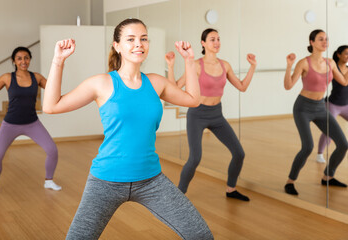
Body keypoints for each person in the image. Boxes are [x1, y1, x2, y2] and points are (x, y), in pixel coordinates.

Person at [43, 18, 214, 239]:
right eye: (130, 39)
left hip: (151, 180)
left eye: (143, 39)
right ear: (117, 46)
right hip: (106, 180)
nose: (138, 44)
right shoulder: (102, 83)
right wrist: (58, 61)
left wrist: (190, 61)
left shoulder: (155, 82)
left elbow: (193, 100)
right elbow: (51, 106)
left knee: (201, 235)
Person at [166, 28, 256, 201]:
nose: (216, 43)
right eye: (212, 39)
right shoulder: (197, 65)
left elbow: (242, 87)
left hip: (217, 115)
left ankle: (231, 189)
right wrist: (170, 67)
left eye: (218, 39)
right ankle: (179, 195)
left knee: (239, 153)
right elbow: (175, 87)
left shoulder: (225, 65)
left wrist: (252, 66)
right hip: (197, 115)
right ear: (203, 43)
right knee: (195, 158)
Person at [0, 47, 61, 198]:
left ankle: (48, 181)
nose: (23, 61)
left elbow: (53, 88)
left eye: (26, 58)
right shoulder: (7, 77)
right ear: (14, 61)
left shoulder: (36, 77)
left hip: (32, 123)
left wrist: (59, 65)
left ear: (30, 59)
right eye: (19, 58)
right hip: (10, 124)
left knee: (52, 150)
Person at [284, 30, 348, 195]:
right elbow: (288, 85)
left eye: (326, 39)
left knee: (343, 144)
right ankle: (290, 181)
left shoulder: (330, 63)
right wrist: (289, 65)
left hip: (320, 107)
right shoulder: (303, 63)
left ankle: (328, 176)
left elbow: (344, 82)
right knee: (307, 147)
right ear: (312, 42)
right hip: (303, 108)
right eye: (321, 39)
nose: (325, 42)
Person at [316, 45, 348, 163]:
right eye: (346, 53)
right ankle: (319, 154)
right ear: (339, 55)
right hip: (333, 105)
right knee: (328, 131)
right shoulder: (332, 68)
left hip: (346, 105)